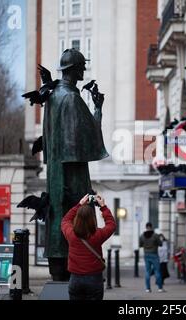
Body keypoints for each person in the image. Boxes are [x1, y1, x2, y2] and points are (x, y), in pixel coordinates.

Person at [43, 48, 109, 281]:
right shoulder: (71, 98)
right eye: (81, 67)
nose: (83, 70)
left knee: (59, 218)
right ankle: (74, 265)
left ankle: (56, 264)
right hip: (73, 173)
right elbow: (89, 138)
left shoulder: (52, 96)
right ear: (74, 70)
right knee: (78, 217)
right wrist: (98, 109)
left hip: (55, 173)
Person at [61, 193, 116, 300]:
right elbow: (111, 225)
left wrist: (79, 205)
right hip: (94, 278)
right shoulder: (98, 235)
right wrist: (103, 207)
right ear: (93, 219)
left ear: (77, 218)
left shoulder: (71, 234)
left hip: (75, 278)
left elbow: (65, 220)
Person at [139, 222, 164, 293]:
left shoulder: (142, 236)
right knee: (157, 271)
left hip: (146, 255)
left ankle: (148, 288)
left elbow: (140, 245)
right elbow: (160, 244)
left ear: (146, 227)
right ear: (151, 227)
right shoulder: (155, 235)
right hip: (154, 254)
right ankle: (160, 288)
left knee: (147, 271)